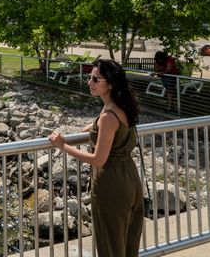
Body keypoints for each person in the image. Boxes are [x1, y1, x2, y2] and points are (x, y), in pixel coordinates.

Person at [49, 59, 143, 257]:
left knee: (110, 244)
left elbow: (98, 160)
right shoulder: (123, 108)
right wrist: (93, 128)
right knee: (128, 241)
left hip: (111, 182)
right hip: (130, 177)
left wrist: (63, 146)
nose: (89, 82)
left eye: (95, 79)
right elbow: (114, 132)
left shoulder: (109, 116)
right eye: (89, 78)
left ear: (110, 83)